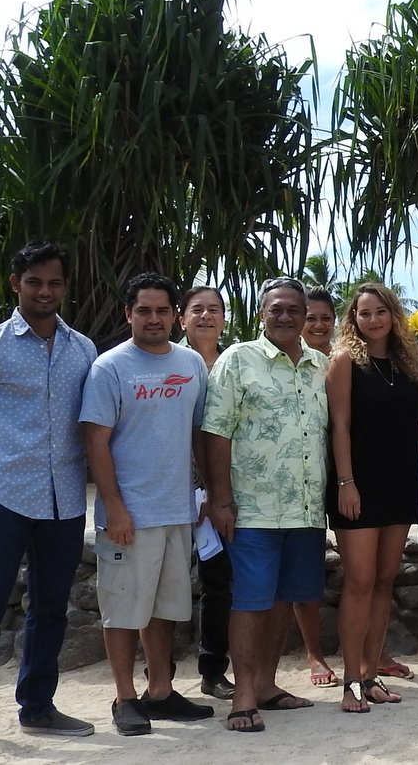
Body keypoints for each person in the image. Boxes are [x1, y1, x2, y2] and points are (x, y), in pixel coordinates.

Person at [0, 240, 98, 758]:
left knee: (51, 609)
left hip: (65, 500)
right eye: (35, 281)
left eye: (54, 282)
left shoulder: (83, 350)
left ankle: (38, 706)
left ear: (65, 286)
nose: (45, 291)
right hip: (2, 497)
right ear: (16, 284)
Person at [81, 273, 216, 734]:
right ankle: (124, 699)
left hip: (177, 510)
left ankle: (160, 691)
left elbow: (199, 434)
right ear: (128, 314)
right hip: (129, 516)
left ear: (175, 314)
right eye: (144, 310)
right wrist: (114, 507)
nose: (153, 318)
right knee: (122, 608)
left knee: (164, 608)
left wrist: (210, 492)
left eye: (162, 310)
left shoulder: (192, 364)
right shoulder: (110, 367)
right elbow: (96, 443)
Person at [202, 278, 328, 733]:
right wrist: (221, 499)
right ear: (261, 313)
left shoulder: (320, 365)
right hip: (253, 507)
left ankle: (268, 686)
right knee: (251, 601)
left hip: (307, 508)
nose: (286, 316)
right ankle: (242, 695)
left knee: (283, 600)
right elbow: (215, 432)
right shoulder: (238, 360)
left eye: (294, 309)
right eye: (277, 309)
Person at [329, 283, 418, 712]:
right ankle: (350, 681)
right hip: (359, 485)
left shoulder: (409, 361)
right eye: (363, 314)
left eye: (380, 312)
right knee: (360, 582)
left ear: (393, 314)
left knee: (385, 581)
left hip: (400, 481)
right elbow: (340, 426)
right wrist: (346, 482)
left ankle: (370, 676)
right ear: (354, 319)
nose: (373, 320)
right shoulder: (346, 360)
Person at [181, 286, 238, 700]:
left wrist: (215, 493)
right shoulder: (166, 361)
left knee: (219, 582)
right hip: (170, 489)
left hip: (224, 492)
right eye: (196, 310)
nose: (205, 317)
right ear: (181, 318)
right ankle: (158, 672)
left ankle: (212, 669)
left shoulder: (236, 363)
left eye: (214, 310)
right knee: (160, 585)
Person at [297, 286, 349, 688]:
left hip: (347, 473)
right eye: (310, 317)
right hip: (305, 477)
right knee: (307, 569)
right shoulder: (293, 361)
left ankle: (370, 652)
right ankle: (314, 652)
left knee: (360, 571)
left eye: (325, 317)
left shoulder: (346, 358)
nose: (317, 324)